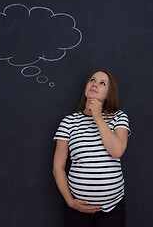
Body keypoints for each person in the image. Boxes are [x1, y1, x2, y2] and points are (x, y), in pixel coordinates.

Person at [52, 70, 131, 227]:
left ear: (109, 94)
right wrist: (70, 201)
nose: (95, 84)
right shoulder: (69, 122)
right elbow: (58, 167)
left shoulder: (119, 117)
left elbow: (117, 151)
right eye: (92, 80)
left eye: (102, 83)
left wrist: (98, 116)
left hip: (113, 209)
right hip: (76, 210)